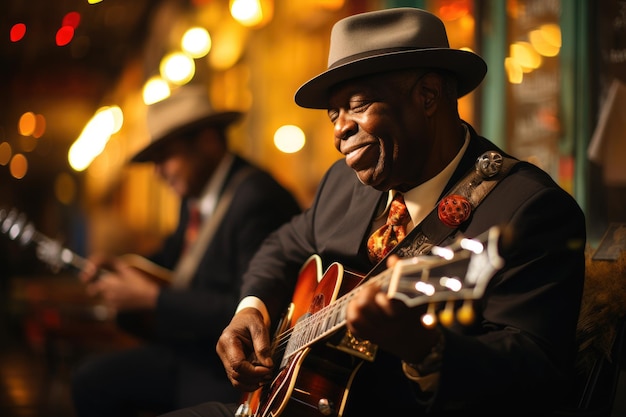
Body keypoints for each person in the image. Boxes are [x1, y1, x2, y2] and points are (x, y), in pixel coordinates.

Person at [160, 7, 586, 417]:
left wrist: (426, 348)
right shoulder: (343, 184)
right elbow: (282, 245)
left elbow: (537, 376)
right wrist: (251, 309)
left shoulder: (528, 209)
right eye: (334, 114)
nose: (340, 129)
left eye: (359, 105)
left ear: (428, 96)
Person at [71, 84, 301, 417]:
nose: (158, 172)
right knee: (89, 380)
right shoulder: (195, 197)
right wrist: (124, 268)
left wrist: (152, 299)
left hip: (226, 367)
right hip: (189, 349)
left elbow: (248, 305)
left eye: (165, 156)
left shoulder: (257, 198)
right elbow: (176, 257)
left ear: (207, 141)